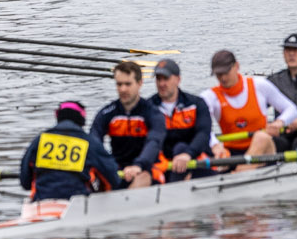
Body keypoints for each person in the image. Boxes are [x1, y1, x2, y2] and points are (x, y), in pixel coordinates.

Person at [18, 100, 122, 208]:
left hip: (41, 202)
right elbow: (114, 179)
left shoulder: (39, 141)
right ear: (82, 120)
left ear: (58, 117)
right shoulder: (89, 143)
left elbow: (25, 182)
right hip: (77, 206)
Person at [205, 48, 297, 160]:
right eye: (219, 74)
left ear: (237, 66)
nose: (223, 78)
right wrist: (215, 144)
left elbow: (292, 109)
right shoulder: (210, 96)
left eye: (226, 72)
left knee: (261, 137)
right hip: (232, 152)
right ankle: (238, 172)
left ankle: (238, 172)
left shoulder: (259, 86)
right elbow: (200, 128)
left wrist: (279, 122)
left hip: (263, 150)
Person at [91, 61, 163, 189]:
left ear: (140, 83)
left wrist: (139, 165)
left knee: (144, 178)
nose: (123, 89)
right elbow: (94, 140)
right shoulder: (108, 112)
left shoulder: (152, 113)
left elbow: (154, 142)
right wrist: (105, 164)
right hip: (117, 168)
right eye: (119, 84)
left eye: (128, 84)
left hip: (146, 166)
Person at [150, 59, 213, 179]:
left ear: (178, 80)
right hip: (163, 164)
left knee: (181, 148)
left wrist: (188, 154)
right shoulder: (148, 108)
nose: (162, 84)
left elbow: (204, 134)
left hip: (194, 160)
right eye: (159, 79)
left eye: (166, 79)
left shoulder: (196, 104)